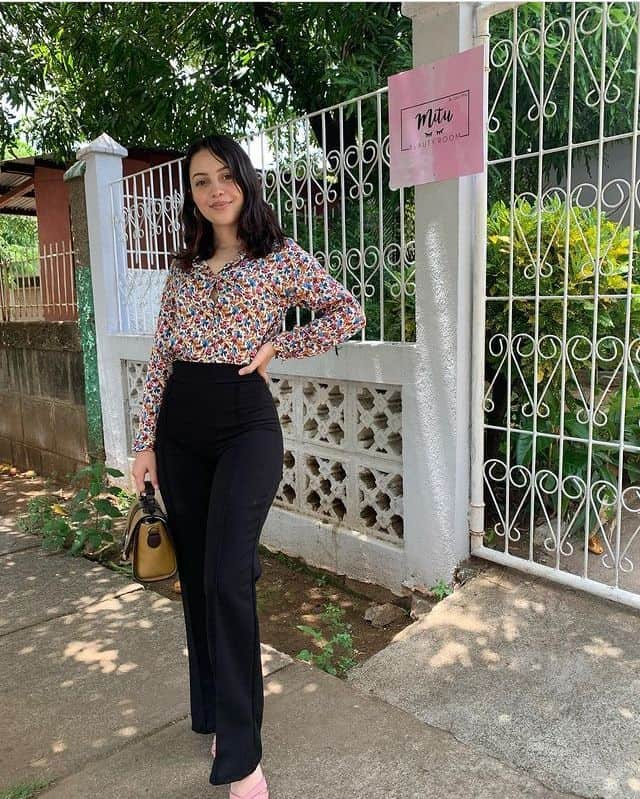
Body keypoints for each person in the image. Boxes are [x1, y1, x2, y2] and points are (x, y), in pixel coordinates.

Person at [130, 133, 366, 798]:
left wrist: (279, 345)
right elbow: (160, 360)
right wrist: (144, 443)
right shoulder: (182, 268)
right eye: (201, 180)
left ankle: (241, 755)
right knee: (201, 578)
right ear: (192, 195)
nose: (214, 189)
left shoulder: (277, 255)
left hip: (245, 426)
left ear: (245, 180)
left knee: (230, 576)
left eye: (225, 175)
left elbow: (348, 309)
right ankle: (215, 710)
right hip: (180, 430)